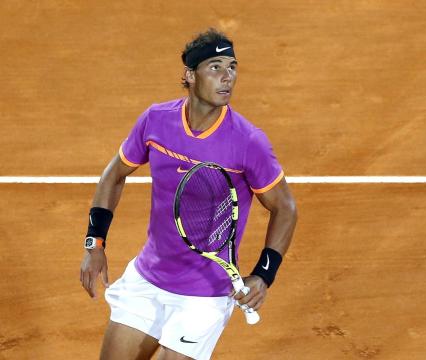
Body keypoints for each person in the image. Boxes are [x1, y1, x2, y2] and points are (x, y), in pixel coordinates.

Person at [79, 28, 298, 360]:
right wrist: (94, 242)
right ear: (190, 75)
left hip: (204, 295)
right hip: (147, 279)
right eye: (215, 67)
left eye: (233, 67)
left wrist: (265, 275)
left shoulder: (248, 141)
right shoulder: (156, 121)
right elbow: (114, 174)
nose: (228, 77)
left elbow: (285, 207)